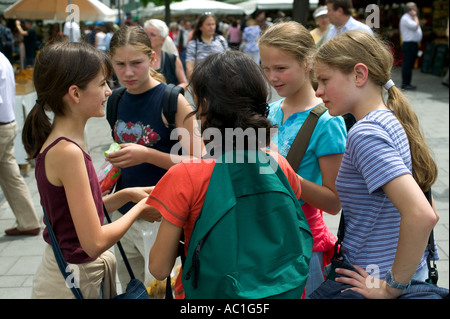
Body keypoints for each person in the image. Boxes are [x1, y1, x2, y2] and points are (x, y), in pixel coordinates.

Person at [147, 50, 308, 298]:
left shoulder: (186, 175)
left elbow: (158, 268)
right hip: (278, 291)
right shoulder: (278, 164)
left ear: (206, 106)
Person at [20, 41, 155, 298]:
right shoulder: (67, 151)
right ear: (75, 93)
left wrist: (128, 195)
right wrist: (139, 208)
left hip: (74, 276)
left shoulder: (65, 142)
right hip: (71, 283)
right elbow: (94, 242)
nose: (108, 91)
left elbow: (78, 216)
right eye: (103, 83)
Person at [312, 30, 439, 298]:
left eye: (324, 80)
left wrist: (391, 289)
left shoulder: (365, 133)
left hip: (370, 276)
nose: (318, 91)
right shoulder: (389, 118)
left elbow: (421, 214)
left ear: (359, 74)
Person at [106, 26, 204, 290]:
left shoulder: (173, 100)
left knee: (161, 290)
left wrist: (147, 154)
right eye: (120, 64)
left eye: (136, 63)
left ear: (152, 59)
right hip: (125, 216)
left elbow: (200, 162)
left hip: (165, 218)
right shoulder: (115, 100)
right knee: (131, 290)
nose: (128, 72)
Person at [258, 21, 347, 296]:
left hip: (303, 245)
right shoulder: (269, 111)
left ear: (308, 62)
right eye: (266, 68)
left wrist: (281, 171)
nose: (272, 77)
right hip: (264, 239)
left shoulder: (327, 121)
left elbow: (334, 202)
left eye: (281, 68)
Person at [0, 51, 41, 236]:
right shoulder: (3, 58)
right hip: (7, 124)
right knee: (10, 175)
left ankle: (28, 222)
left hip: (2, 125)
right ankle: (28, 221)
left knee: (11, 175)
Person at [143, 19, 188, 90]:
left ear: (163, 40)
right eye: (145, 34)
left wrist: (171, 92)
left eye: (152, 35)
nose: (148, 38)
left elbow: (184, 83)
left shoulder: (172, 59)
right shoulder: (136, 59)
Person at [185, 13, 228, 80]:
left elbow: (228, 60)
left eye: (213, 24)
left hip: (221, 81)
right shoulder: (193, 44)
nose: (211, 27)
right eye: (208, 24)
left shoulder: (221, 40)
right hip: (202, 81)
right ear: (200, 27)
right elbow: (189, 66)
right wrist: (194, 83)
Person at [399, 2, 423, 90]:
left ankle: (407, 82)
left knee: (409, 64)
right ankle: (405, 83)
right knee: (407, 64)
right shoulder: (406, 18)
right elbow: (415, 26)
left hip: (412, 44)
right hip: (409, 44)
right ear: (410, 10)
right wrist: (416, 17)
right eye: (414, 8)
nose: (416, 10)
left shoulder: (409, 18)